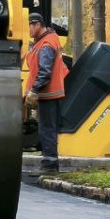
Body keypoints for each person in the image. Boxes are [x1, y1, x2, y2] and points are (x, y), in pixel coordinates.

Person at [25, 12, 68, 174]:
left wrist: (34, 90)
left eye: (30, 25)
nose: (28, 29)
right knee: (48, 128)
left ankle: (50, 166)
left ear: (37, 25)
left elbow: (44, 71)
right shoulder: (44, 41)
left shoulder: (46, 44)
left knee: (47, 129)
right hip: (49, 94)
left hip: (48, 95)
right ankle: (49, 163)